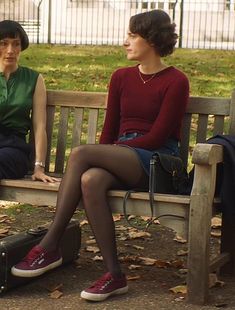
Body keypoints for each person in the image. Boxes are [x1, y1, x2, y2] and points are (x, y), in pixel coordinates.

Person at [11, 10, 189, 301]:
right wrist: (109, 152)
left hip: (157, 161)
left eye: (132, 36)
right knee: (91, 179)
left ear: (153, 40)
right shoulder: (121, 77)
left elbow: (158, 137)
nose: (125, 42)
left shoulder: (176, 81)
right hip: (122, 156)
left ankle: (50, 243)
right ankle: (114, 275)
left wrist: (112, 151)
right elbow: (109, 131)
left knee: (81, 153)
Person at [0, 20, 58, 183]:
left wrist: (39, 167)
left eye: (16, 44)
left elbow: (40, 126)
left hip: (13, 149)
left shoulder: (33, 79)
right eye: (3, 44)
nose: (10, 51)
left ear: (21, 46)